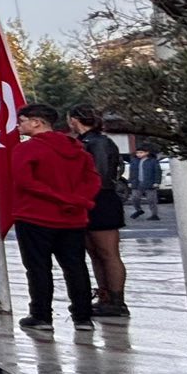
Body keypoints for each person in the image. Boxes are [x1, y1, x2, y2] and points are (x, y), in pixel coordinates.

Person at [10, 104, 101, 334]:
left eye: (22, 121)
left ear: (36, 122)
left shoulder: (26, 149)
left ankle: (41, 315)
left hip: (35, 215)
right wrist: (78, 201)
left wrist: (59, 197)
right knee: (75, 266)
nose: (18, 125)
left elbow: (25, 181)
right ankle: (83, 316)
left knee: (38, 268)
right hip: (72, 217)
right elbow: (93, 180)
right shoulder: (78, 149)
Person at [69, 105, 129, 319]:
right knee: (94, 253)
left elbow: (101, 175)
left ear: (74, 119)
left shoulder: (100, 143)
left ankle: (117, 299)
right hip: (86, 200)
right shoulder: (83, 142)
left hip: (101, 200)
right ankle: (104, 295)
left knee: (108, 252)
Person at [129, 145, 162, 221]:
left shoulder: (152, 161)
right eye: (137, 153)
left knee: (151, 199)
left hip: (149, 182)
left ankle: (154, 214)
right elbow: (132, 172)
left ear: (147, 153)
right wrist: (130, 181)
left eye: (141, 152)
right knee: (134, 198)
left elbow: (157, 172)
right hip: (137, 182)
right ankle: (138, 210)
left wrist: (157, 182)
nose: (139, 154)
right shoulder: (134, 161)